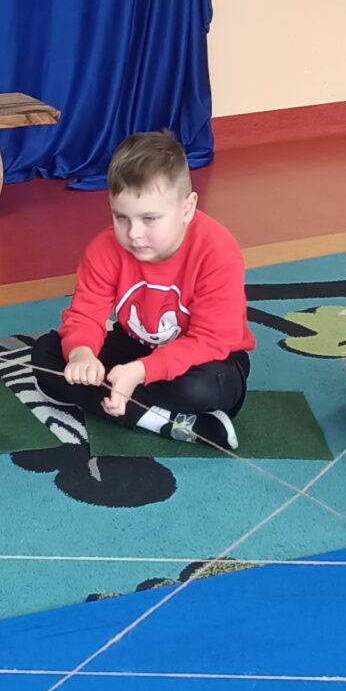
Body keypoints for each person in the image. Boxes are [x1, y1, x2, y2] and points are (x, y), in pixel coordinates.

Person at [32, 129, 251, 451]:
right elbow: (85, 316)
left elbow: (211, 340)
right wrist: (82, 354)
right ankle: (163, 421)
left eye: (149, 218)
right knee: (46, 354)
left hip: (206, 360)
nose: (133, 233)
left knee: (202, 389)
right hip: (135, 347)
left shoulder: (217, 250)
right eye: (121, 217)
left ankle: (122, 401)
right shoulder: (104, 249)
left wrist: (141, 371)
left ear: (187, 208)